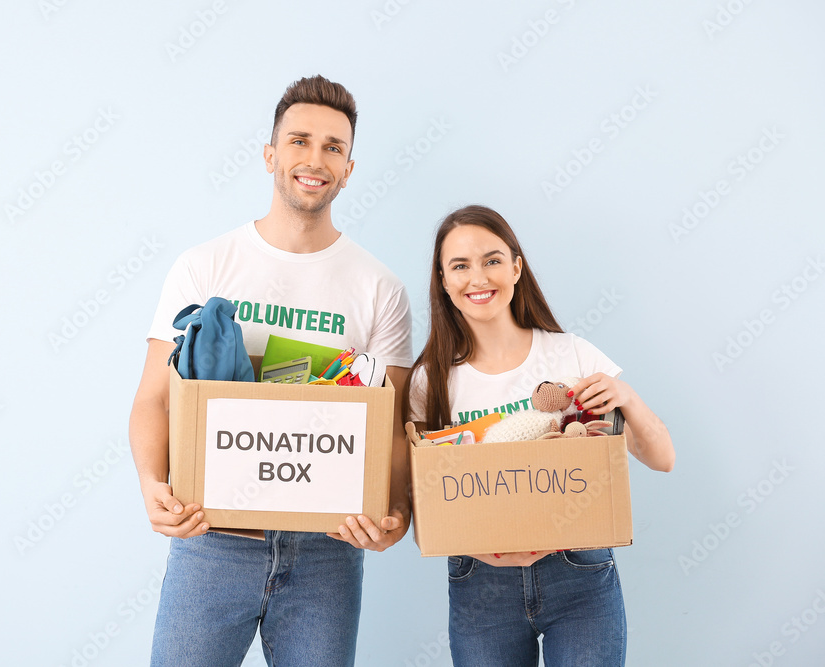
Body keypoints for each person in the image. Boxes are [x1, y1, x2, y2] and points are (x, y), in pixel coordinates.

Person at [129, 75, 414, 667]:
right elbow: (154, 398)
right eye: (299, 141)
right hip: (212, 537)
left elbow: (392, 424)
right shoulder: (204, 265)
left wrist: (398, 512)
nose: (315, 160)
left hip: (327, 551)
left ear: (350, 168)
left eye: (333, 147)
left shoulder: (379, 287)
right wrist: (152, 484)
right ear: (270, 154)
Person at [406, 205, 675, 666]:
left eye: (492, 260)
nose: (478, 277)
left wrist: (625, 395)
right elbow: (425, 505)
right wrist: (482, 549)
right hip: (480, 582)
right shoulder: (430, 383)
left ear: (516, 266)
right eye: (460, 266)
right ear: (444, 281)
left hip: (578, 572)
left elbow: (663, 458)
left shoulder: (570, 353)